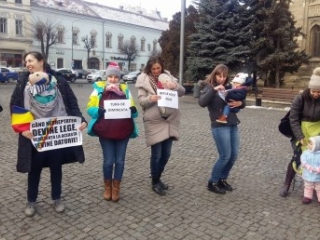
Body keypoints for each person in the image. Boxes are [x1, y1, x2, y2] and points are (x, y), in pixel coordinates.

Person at [9, 51, 87, 217]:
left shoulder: (59, 82)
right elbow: (15, 107)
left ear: (41, 61)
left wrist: (80, 120)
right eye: (26, 61)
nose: (27, 64)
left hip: (56, 137)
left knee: (56, 167)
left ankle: (57, 197)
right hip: (34, 136)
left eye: (30, 60)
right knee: (34, 169)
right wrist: (23, 129)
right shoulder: (23, 83)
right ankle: (31, 201)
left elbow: (72, 104)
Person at [87, 62, 138, 202]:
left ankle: (116, 189)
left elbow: (133, 110)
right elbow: (89, 108)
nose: (113, 79)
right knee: (109, 161)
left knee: (120, 161)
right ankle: (107, 187)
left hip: (123, 130)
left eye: (116, 77)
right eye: (111, 77)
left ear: (119, 78)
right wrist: (98, 111)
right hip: (106, 130)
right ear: (106, 77)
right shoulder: (98, 90)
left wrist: (133, 111)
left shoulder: (126, 90)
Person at [135, 56, 185, 196]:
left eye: (158, 68)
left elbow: (182, 92)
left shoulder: (168, 77)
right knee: (156, 154)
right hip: (154, 120)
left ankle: (158, 177)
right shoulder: (143, 80)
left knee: (166, 154)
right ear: (149, 68)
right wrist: (150, 98)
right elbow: (141, 102)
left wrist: (174, 86)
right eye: (153, 69)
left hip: (170, 119)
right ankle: (155, 182)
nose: (156, 71)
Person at [198, 64, 245, 194]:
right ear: (215, 75)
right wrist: (214, 89)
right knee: (225, 155)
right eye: (219, 76)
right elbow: (202, 102)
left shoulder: (229, 86)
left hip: (233, 124)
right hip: (219, 125)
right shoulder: (209, 87)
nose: (222, 79)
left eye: (224, 76)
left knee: (233, 155)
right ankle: (212, 182)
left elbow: (241, 99)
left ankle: (222, 179)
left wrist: (240, 103)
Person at [280, 67, 320, 197]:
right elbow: (293, 118)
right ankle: (287, 184)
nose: (316, 94)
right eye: (314, 91)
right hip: (302, 131)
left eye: (319, 92)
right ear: (309, 89)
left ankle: (315, 185)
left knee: (318, 160)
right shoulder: (300, 98)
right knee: (297, 158)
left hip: (318, 131)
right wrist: (300, 136)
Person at [300, 136, 320, 204]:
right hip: (308, 174)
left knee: (319, 187)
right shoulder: (306, 153)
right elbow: (303, 160)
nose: (309, 145)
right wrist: (306, 165)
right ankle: (307, 197)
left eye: (311, 144)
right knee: (308, 186)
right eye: (309, 143)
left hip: (318, 176)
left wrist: (318, 169)